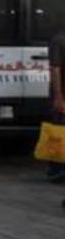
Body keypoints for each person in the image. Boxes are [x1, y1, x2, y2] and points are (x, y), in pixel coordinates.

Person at [50, 29, 65, 183]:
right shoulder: (59, 40)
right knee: (59, 131)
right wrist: (58, 96)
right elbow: (55, 69)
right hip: (62, 95)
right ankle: (57, 169)